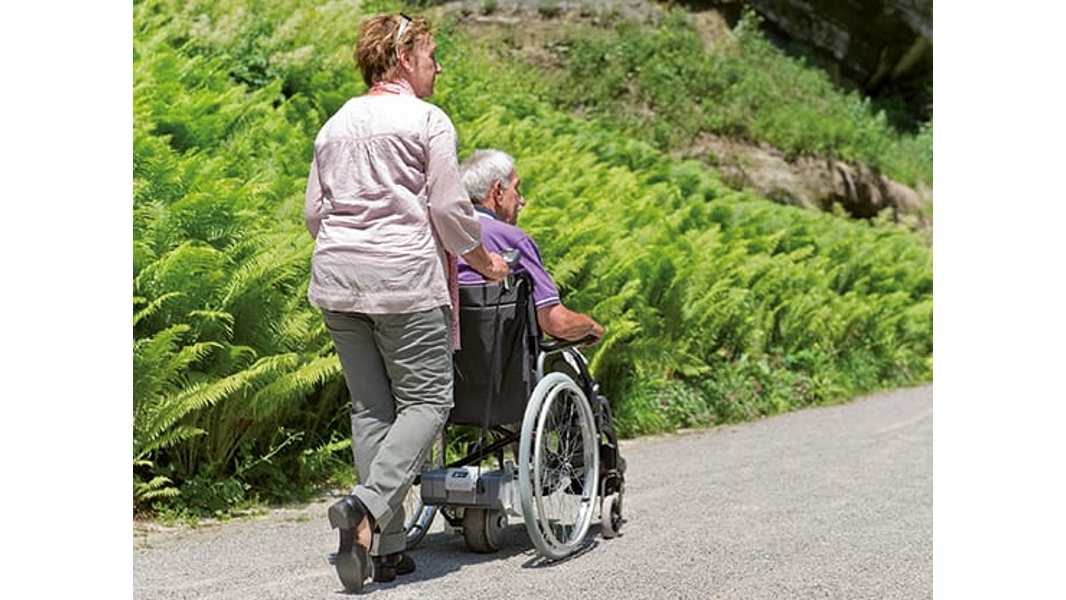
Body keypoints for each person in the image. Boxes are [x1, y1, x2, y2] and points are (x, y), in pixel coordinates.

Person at [304, 13, 509, 593]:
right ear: (401, 59)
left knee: (372, 411)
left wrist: (355, 246)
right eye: (431, 56)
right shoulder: (426, 120)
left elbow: (315, 214)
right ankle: (365, 509)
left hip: (338, 281)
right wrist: (486, 262)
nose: (438, 67)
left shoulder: (335, 124)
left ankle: (385, 547)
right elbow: (448, 210)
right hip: (403, 280)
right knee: (428, 401)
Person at [457, 149, 605, 344]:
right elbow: (557, 323)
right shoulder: (511, 238)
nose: (522, 200)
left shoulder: (442, 232)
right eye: (517, 189)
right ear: (498, 192)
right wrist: (593, 327)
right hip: (501, 363)